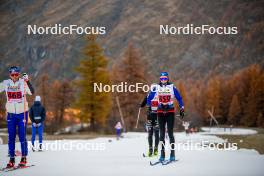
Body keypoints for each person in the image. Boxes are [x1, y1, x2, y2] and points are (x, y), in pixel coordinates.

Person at [0, 66, 34, 168]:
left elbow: (32, 92)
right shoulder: (6, 83)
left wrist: (27, 81)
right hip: (11, 114)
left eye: (16, 74)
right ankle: (12, 159)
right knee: (11, 137)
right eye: (12, 75)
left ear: (18, 74)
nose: (14, 76)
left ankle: (23, 158)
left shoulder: (23, 83)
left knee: (22, 135)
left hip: (22, 113)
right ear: (10, 75)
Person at [147, 72, 184, 162]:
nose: (163, 80)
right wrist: (149, 107)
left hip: (170, 112)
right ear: (160, 79)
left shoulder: (172, 87)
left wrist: (182, 108)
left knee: (170, 134)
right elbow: (149, 97)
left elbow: (179, 98)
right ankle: (162, 155)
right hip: (160, 113)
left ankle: (172, 154)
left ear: (168, 79)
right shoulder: (157, 88)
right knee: (162, 135)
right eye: (162, 79)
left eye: (165, 78)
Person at [140, 91, 159, 157]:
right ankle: (154, 149)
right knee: (156, 133)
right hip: (156, 117)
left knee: (150, 133)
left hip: (151, 117)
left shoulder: (149, 95)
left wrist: (141, 105)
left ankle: (151, 149)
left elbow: (142, 104)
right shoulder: (159, 94)